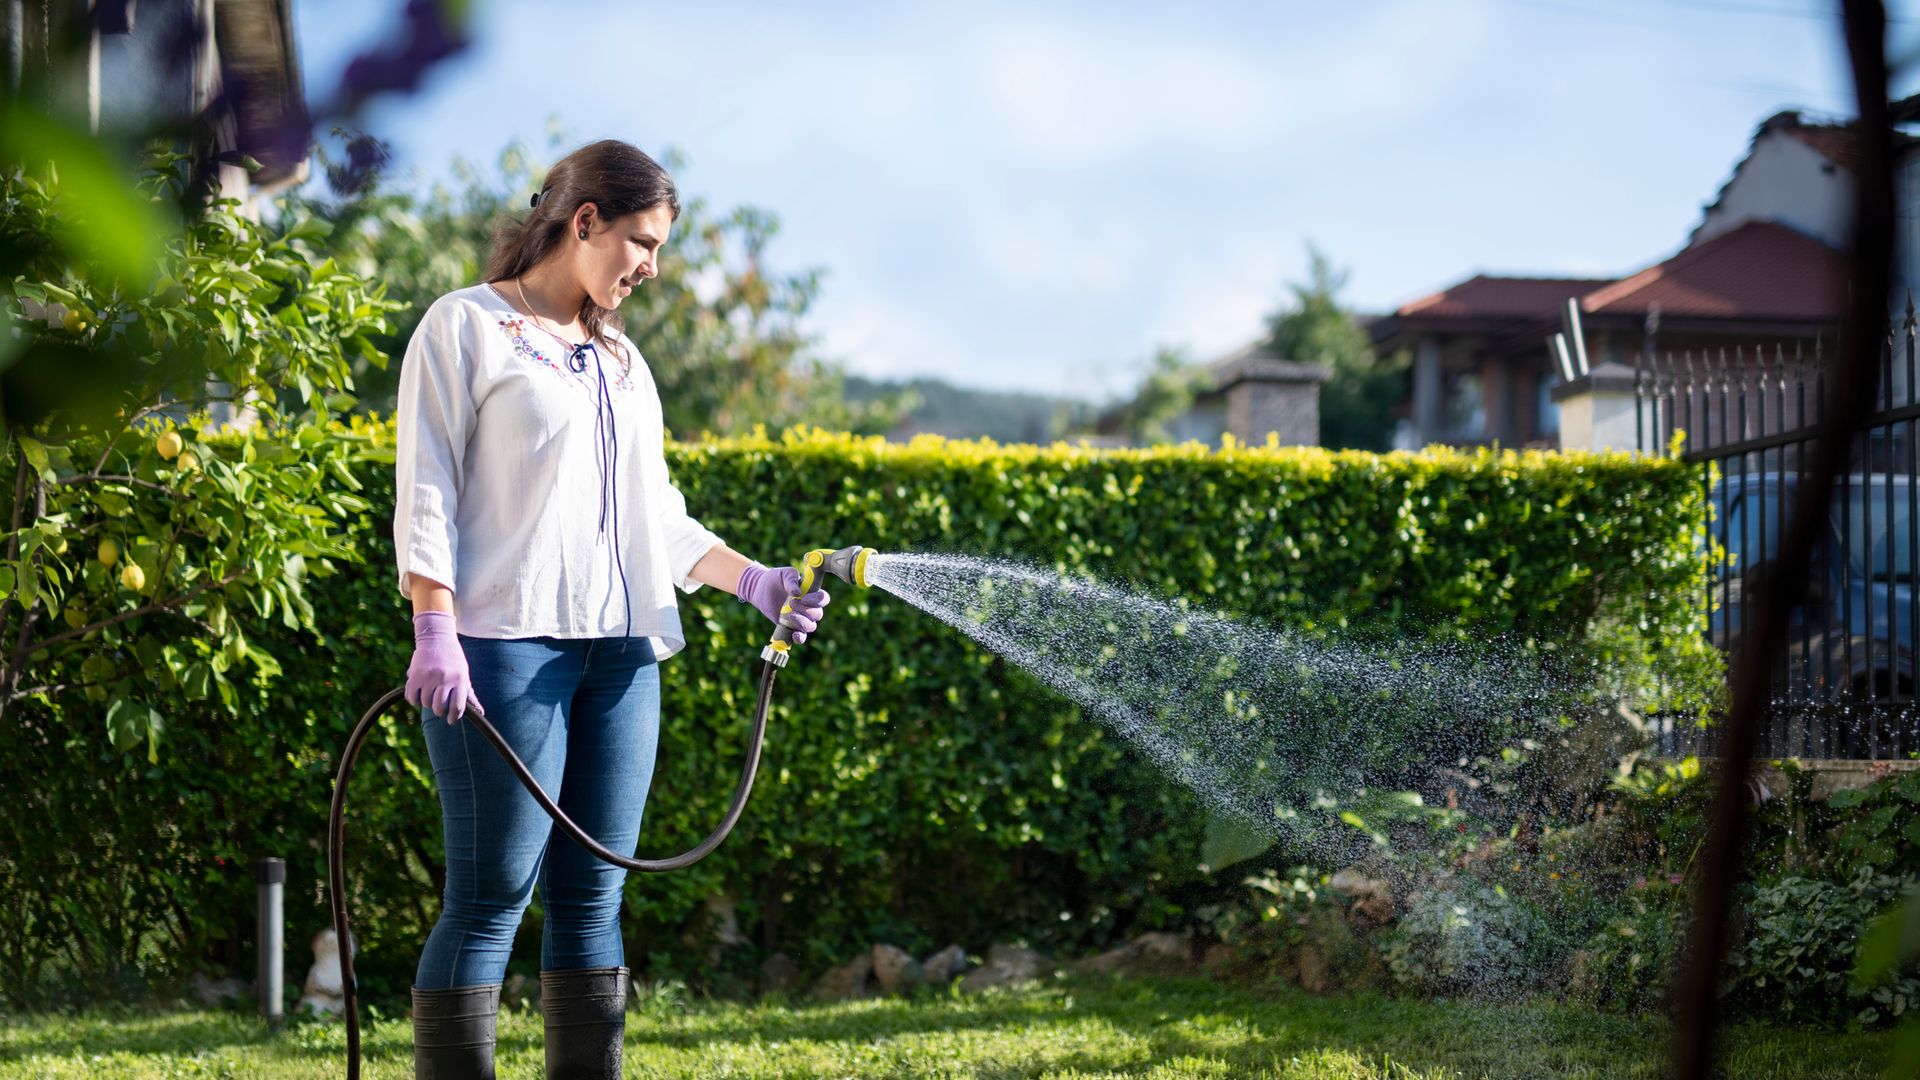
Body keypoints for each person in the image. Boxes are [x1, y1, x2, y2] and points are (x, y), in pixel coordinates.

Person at [392, 138, 828, 1080]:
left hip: (622, 657)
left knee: (594, 899)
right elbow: (426, 487)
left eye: (660, 248)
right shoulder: (464, 326)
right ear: (582, 222)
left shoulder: (624, 362)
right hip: (501, 652)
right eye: (641, 241)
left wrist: (754, 580)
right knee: (490, 895)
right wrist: (434, 626)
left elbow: (656, 514)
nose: (651, 268)